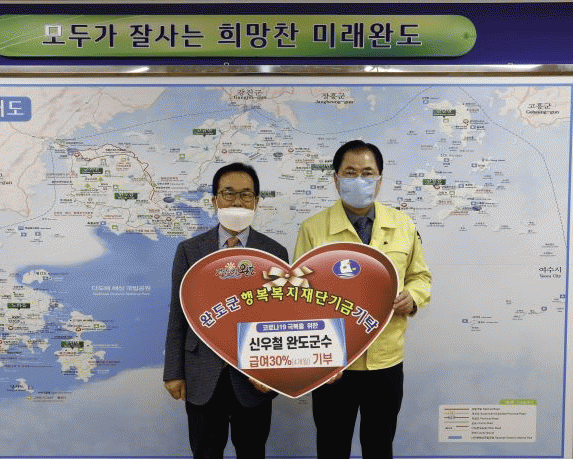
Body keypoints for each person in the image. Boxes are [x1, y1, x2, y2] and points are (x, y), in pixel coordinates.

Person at [294, 140, 431, 459]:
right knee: (332, 446)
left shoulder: (403, 225)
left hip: (386, 360)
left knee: (379, 446)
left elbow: (421, 277)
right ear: (336, 179)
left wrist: (412, 298)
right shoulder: (313, 229)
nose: (359, 180)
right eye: (350, 172)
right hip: (334, 362)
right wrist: (319, 357)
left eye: (367, 173)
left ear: (380, 179)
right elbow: (299, 295)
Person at [163, 162, 289, 459]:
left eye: (246, 195)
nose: (237, 202)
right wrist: (173, 372)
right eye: (228, 193)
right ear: (214, 200)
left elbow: (281, 319)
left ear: (256, 201)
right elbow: (178, 315)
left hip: (254, 378)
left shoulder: (275, 253)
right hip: (202, 375)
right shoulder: (189, 251)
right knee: (205, 453)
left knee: (252, 452)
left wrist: (274, 374)